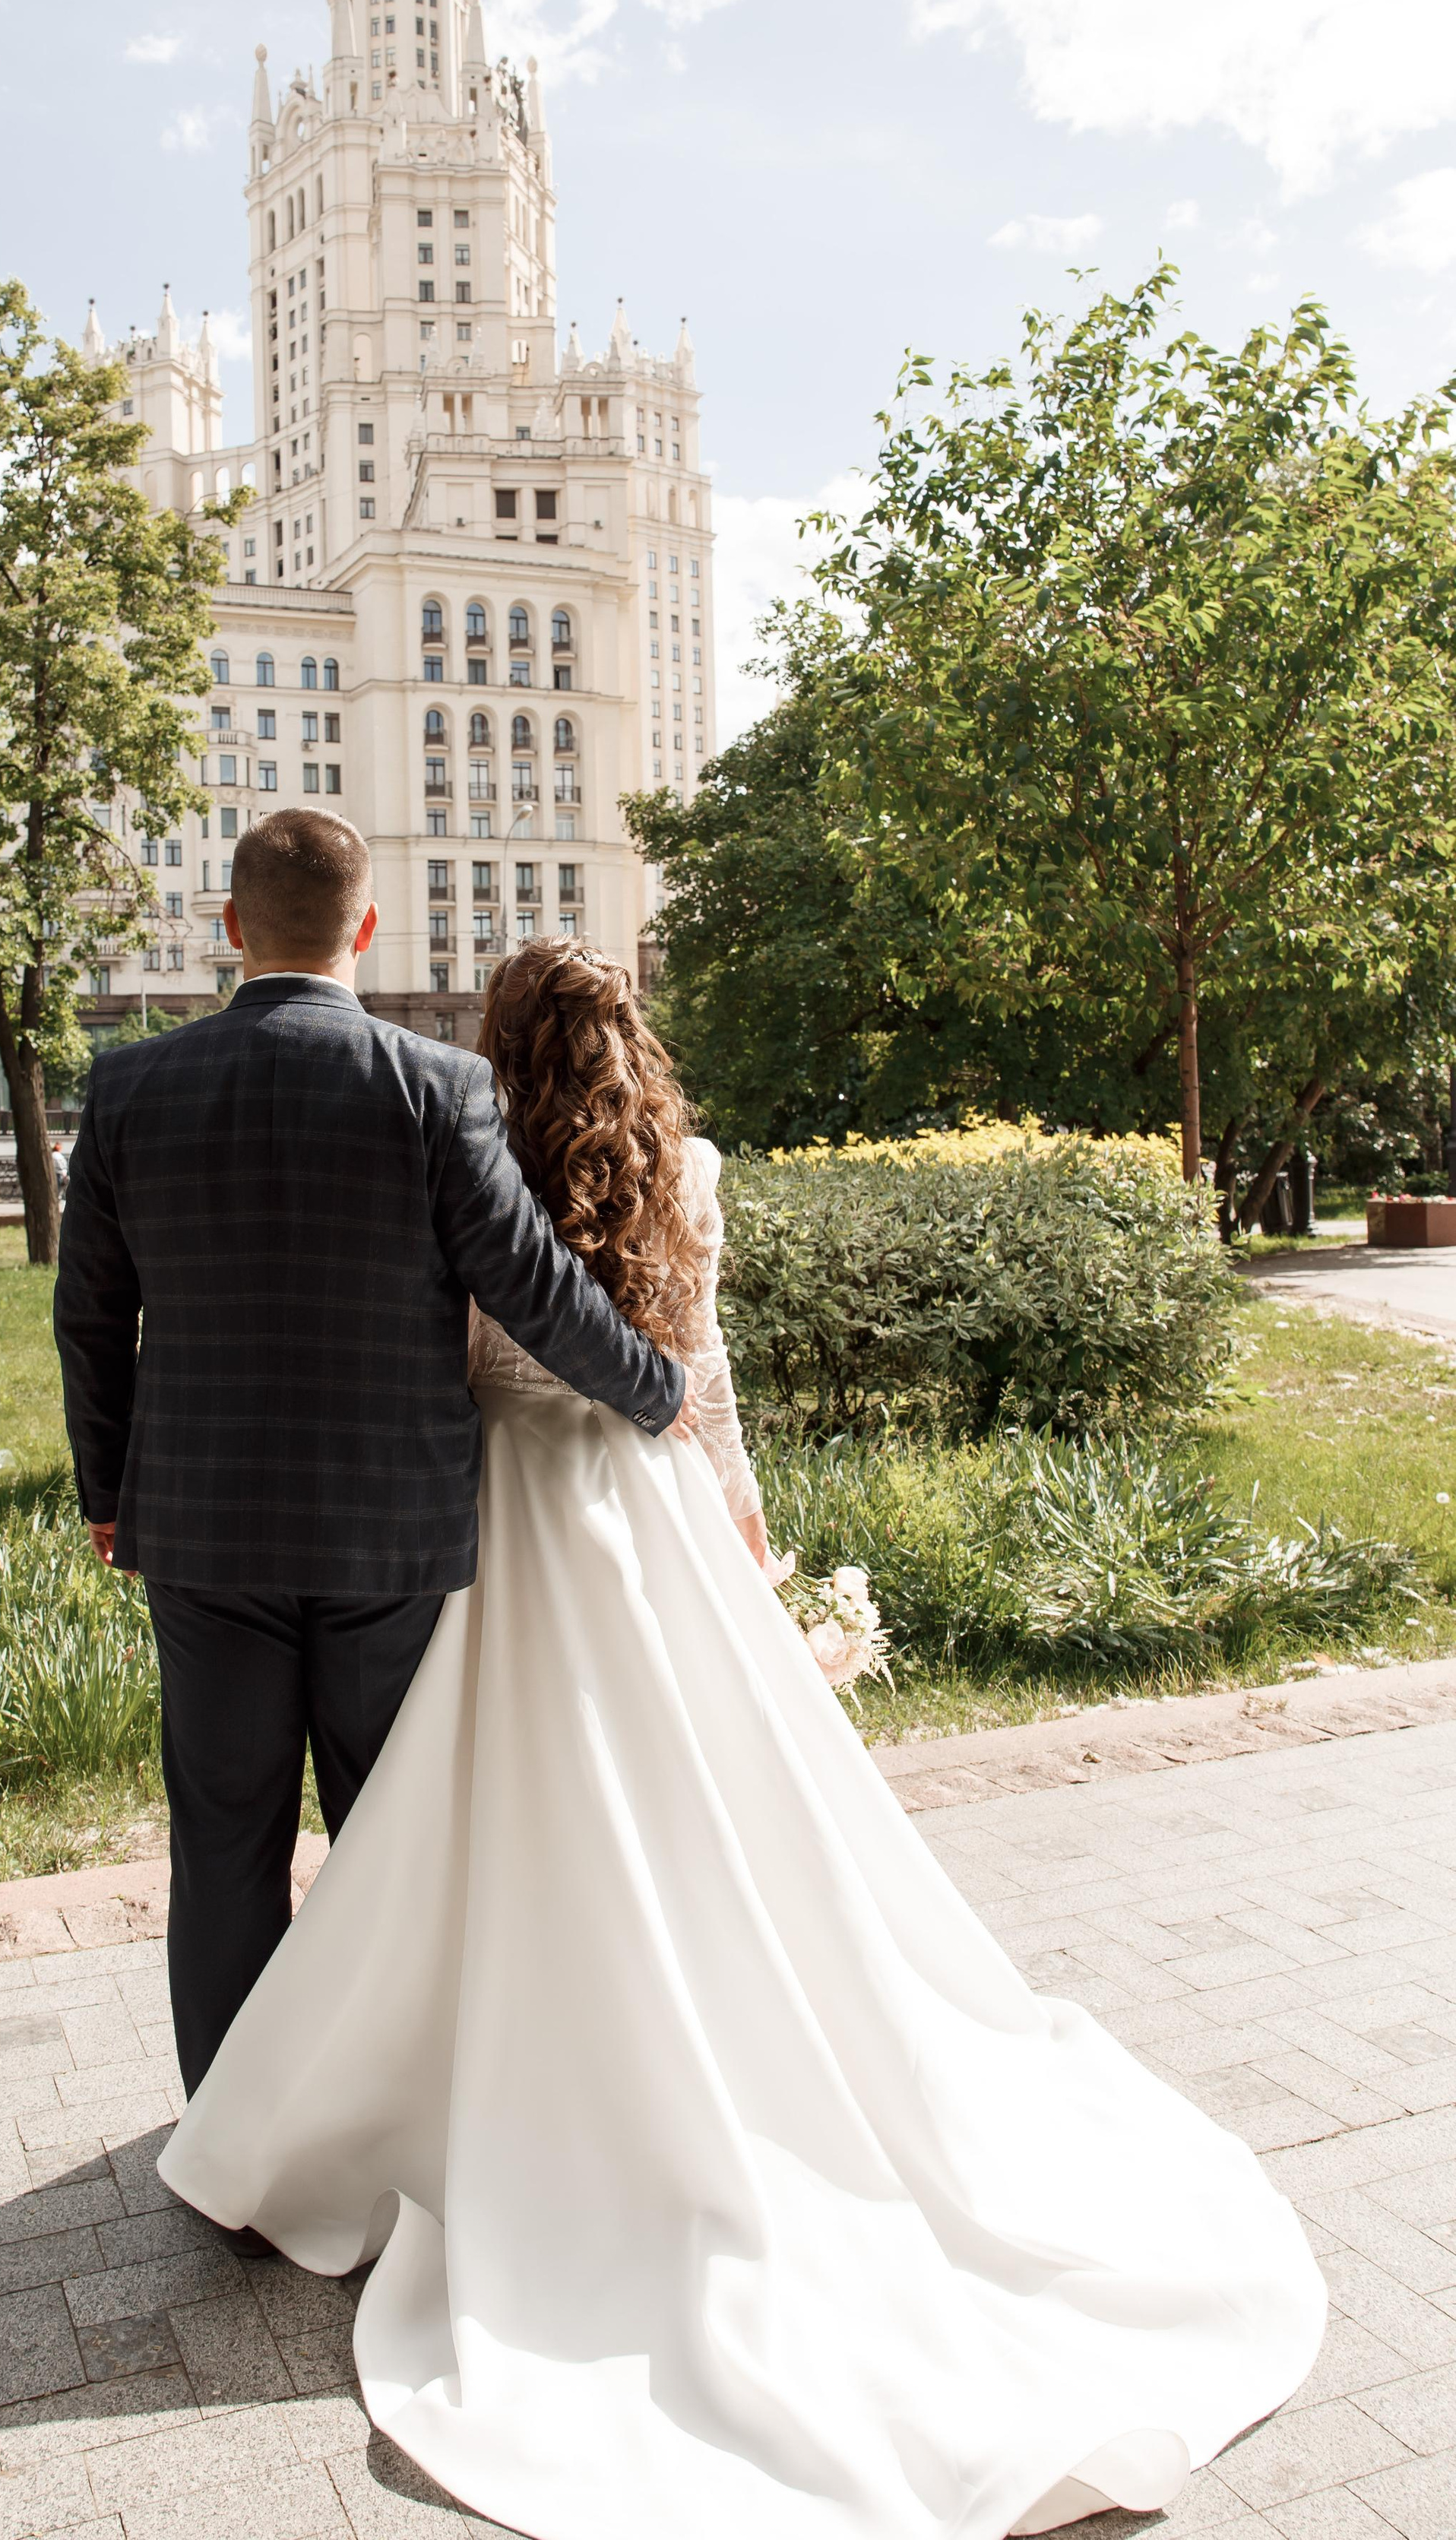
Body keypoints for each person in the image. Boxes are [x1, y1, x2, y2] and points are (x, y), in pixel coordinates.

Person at [160, 938, 1326, 2540]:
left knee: (480, 1818)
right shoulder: (686, 1164)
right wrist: (742, 1531)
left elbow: (448, 1355)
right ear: (631, 1032)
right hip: (645, 1509)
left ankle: (460, 2069)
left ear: (494, 1036)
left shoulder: (455, 1140)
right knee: (710, 1816)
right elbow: (697, 1371)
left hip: (495, 1509)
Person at [52, 812, 686, 2098]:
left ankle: (233, 2144)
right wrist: (655, 1390)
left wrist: (108, 1492)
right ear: (368, 928)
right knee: (387, 1842)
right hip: (387, 1533)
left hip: (203, 1529)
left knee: (223, 1843)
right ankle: (379, 2128)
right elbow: (532, 1286)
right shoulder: (435, 1086)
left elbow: (89, 1314)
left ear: (230, 928)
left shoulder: (129, 1089)